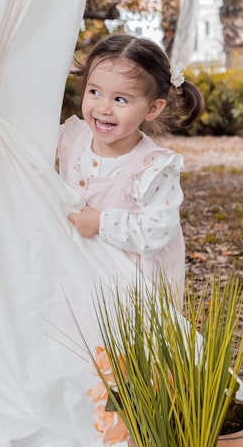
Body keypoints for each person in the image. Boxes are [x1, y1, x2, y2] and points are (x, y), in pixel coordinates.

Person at [56, 33, 203, 295]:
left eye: (120, 99)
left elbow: (157, 230)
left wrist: (102, 222)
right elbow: (26, 150)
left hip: (132, 288)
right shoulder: (72, 137)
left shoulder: (153, 168)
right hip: (81, 276)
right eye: (94, 92)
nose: (103, 108)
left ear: (152, 109)